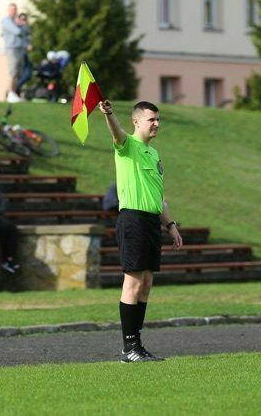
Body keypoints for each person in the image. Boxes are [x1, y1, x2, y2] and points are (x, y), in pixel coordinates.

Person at [98, 99, 183, 363]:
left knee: (146, 282)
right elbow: (116, 133)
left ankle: (137, 344)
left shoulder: (154, 154)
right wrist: (109, 114)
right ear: (137, 122)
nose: (156, 124)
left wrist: (170, 225)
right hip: (132, 219)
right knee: (133, 281)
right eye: (151, 120)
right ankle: (128, 348)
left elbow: (159, 197)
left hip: (150, 221)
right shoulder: (127, 146)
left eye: (158, 119)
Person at [1, 3, 25, 103]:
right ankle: (10, 93)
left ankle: (13, 92)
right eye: (12, 9)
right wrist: (21, 25)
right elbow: (17, 32)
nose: (14, 11)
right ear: (8, 10)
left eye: (15, 9)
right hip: (12, 49)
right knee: (13, 71)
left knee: (17, 73)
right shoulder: (6, 21)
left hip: (18, 49)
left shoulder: (15, 21)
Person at [15, 13, 33, 96]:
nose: (24, 21)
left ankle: (16, 89)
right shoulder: (18, 29)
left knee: (27, 74)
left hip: (26, 55)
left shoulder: (27, 30)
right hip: (20, 54)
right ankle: (15, 90)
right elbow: (19, 41)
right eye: (22, 19)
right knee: (21, 74)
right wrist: (26, 45)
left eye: (25, 19)